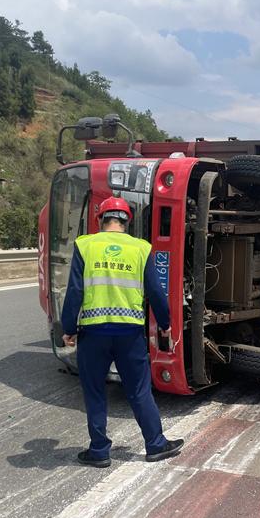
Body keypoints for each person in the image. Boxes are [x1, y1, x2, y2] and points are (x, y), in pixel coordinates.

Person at [61, 197, 184, 467]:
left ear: (100, 220)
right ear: (127, 221)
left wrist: (68, 328)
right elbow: (155, 292)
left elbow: (75, 291)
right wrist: (165, 322)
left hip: (93, 334)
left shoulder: (86, 245)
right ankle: (155, 444)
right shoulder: (141, 248)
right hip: (129, 334)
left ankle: (99, 451)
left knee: (94, 391)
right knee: (139, 390)